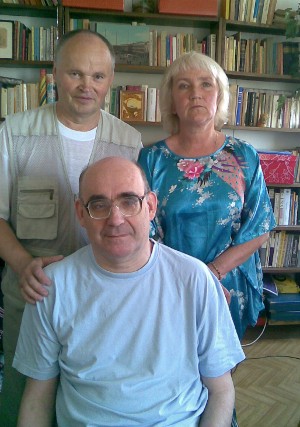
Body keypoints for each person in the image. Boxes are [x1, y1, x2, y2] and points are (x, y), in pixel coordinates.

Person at [13, 156, 245, 427]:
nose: (115, 219)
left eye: (129, 201)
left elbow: (221, 389)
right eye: (99, 205)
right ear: (80, 213)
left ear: (150, 206)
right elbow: (37, 397)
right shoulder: (51, 287)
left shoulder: (195, 280)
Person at [0, 29, 142, 425]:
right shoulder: (15, 132)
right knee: (23, 392)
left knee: (94, 397)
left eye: (97, 76)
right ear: (54, 74)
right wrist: (21, 263)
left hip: (105, 303)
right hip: (32, 296)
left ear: (110, 81)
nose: (86, 85)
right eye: (75, 73)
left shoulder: (129, 141)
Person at [138, 51, 276, 340]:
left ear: (219, 97)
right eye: (184, 86)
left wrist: (213, 273)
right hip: (170, 283)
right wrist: (187, 279)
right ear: (172, 101)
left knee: (222, 370)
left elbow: (260, 227)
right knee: (176, 360)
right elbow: (143, 230)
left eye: (206, 84)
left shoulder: (244, 156)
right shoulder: (151, 159)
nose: (195, 94)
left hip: (228, 282)